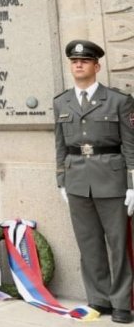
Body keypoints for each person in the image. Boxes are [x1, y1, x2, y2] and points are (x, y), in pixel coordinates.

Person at [55, 40, 134, 323]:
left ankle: (122, 303)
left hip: (111, 182)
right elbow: (60, 145)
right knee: (89, 245)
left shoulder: (119, 101)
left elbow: (130, 146)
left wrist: (132, 184)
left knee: (118, 245)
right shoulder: (61, 102)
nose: (79, 64)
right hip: (77, 181)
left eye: (85, 61)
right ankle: (99, 300)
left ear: (96, 66)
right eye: (75, 61)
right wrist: (61, 179)